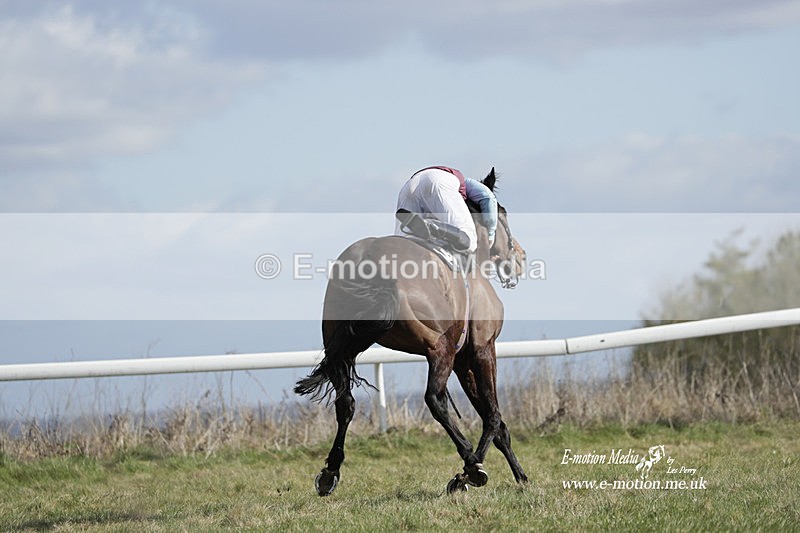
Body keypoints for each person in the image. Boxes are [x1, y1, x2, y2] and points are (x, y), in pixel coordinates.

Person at [395, 166, 498, 254]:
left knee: (404, 241)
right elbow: (488, 197)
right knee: (470, 240)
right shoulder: (467, 183)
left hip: (408, 187)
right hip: (437, 180)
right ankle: (432, 225)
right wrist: (491, 234)